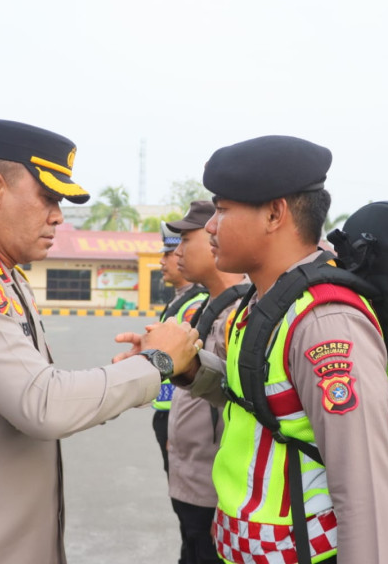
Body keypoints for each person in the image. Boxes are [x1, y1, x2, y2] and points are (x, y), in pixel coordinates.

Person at [0, 118, 200, 564]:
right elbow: (43, 404)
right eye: (48, 197)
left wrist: (137, 371)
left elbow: (43, 386)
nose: (58, 215)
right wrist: (157, 365)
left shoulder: (2, 276)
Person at [161, 136, 388, 564]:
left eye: (223, 209)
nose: (211, 226)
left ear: (274, 213)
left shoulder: (325, 324)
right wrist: (190, 368)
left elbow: (363, 489)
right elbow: (253, 400)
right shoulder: (264, 303)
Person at [165, 201, 247, 564]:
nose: (177, 252)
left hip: (215, 492)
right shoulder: (207, 306)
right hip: (190, 481)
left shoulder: (242, 313)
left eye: (185, 241)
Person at [152, 222, 208, 475]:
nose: (163, 261)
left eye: (169, 253)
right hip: (168, 410)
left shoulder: (195, 304)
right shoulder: (180, 300)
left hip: (181, 410)